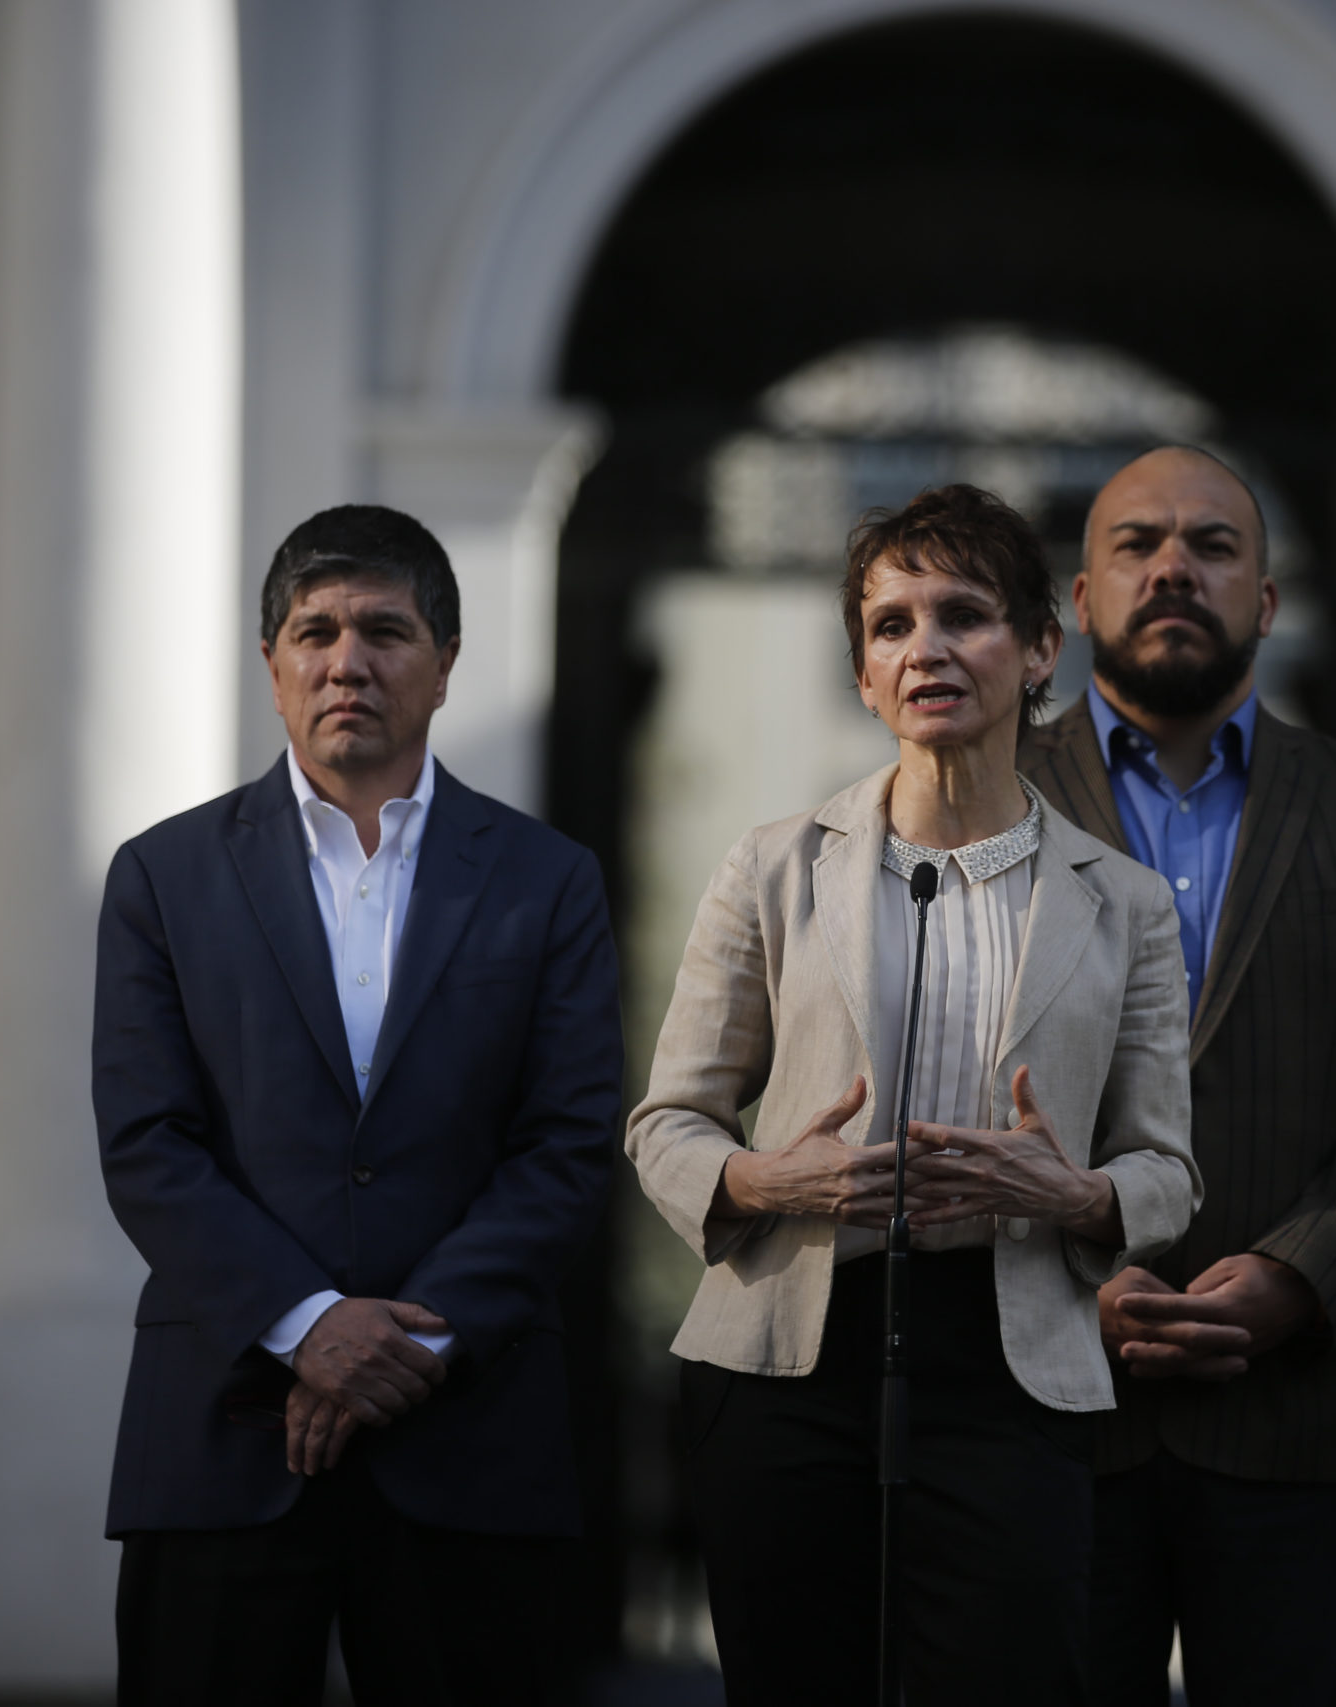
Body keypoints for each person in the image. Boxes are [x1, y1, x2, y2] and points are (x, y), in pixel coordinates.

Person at [627, 483, 1200, 1706]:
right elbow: (667, 1121)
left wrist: (1077, 1195)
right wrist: (764, 1178)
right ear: (862, 674)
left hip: (1010, 1365)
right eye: (891, 625)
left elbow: (1166, 1168)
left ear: (1041, 649)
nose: (925, 648)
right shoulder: (772, 867)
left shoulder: (1128, 904)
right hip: (786, 1356)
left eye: (964, 616)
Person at [92, 504, 623, 1705]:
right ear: (271, 663)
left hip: (469, 1438)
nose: (347, 662)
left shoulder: (547, 880)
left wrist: (406, 1343)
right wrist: (307, 1326)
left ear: (444, 664)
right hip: (226, 1428)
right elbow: (148, 1143)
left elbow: (566, 1145)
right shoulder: (162, 877)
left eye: (385, 632)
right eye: (315, 632)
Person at [1019, 445, 1336, 1707]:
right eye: (1138, 544)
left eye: (1213, 546)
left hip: (1304, 1411)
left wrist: (1297, 1277)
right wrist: (1071, 1284)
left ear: (1266, 602)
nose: (1174, 567)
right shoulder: (985, 800)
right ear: (1082, 601)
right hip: (1047, 1412)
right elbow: (936, 1077)